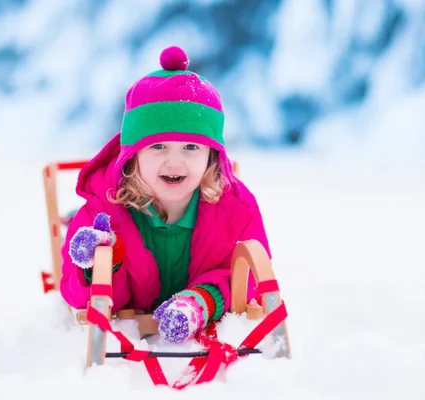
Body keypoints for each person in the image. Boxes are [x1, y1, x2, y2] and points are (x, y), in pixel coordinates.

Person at [60, 45, 271, 345]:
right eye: (158, 147)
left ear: (212, 156)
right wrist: (101, 266)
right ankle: (70, 221)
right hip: (124, 271)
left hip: (191, 302)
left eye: (190, 147)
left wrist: (200, 300)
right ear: (133, 155)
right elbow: (74, 294)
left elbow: (248, 283)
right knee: (85, 236)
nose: (174, 162)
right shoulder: (104, 210)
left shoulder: (236, 210)